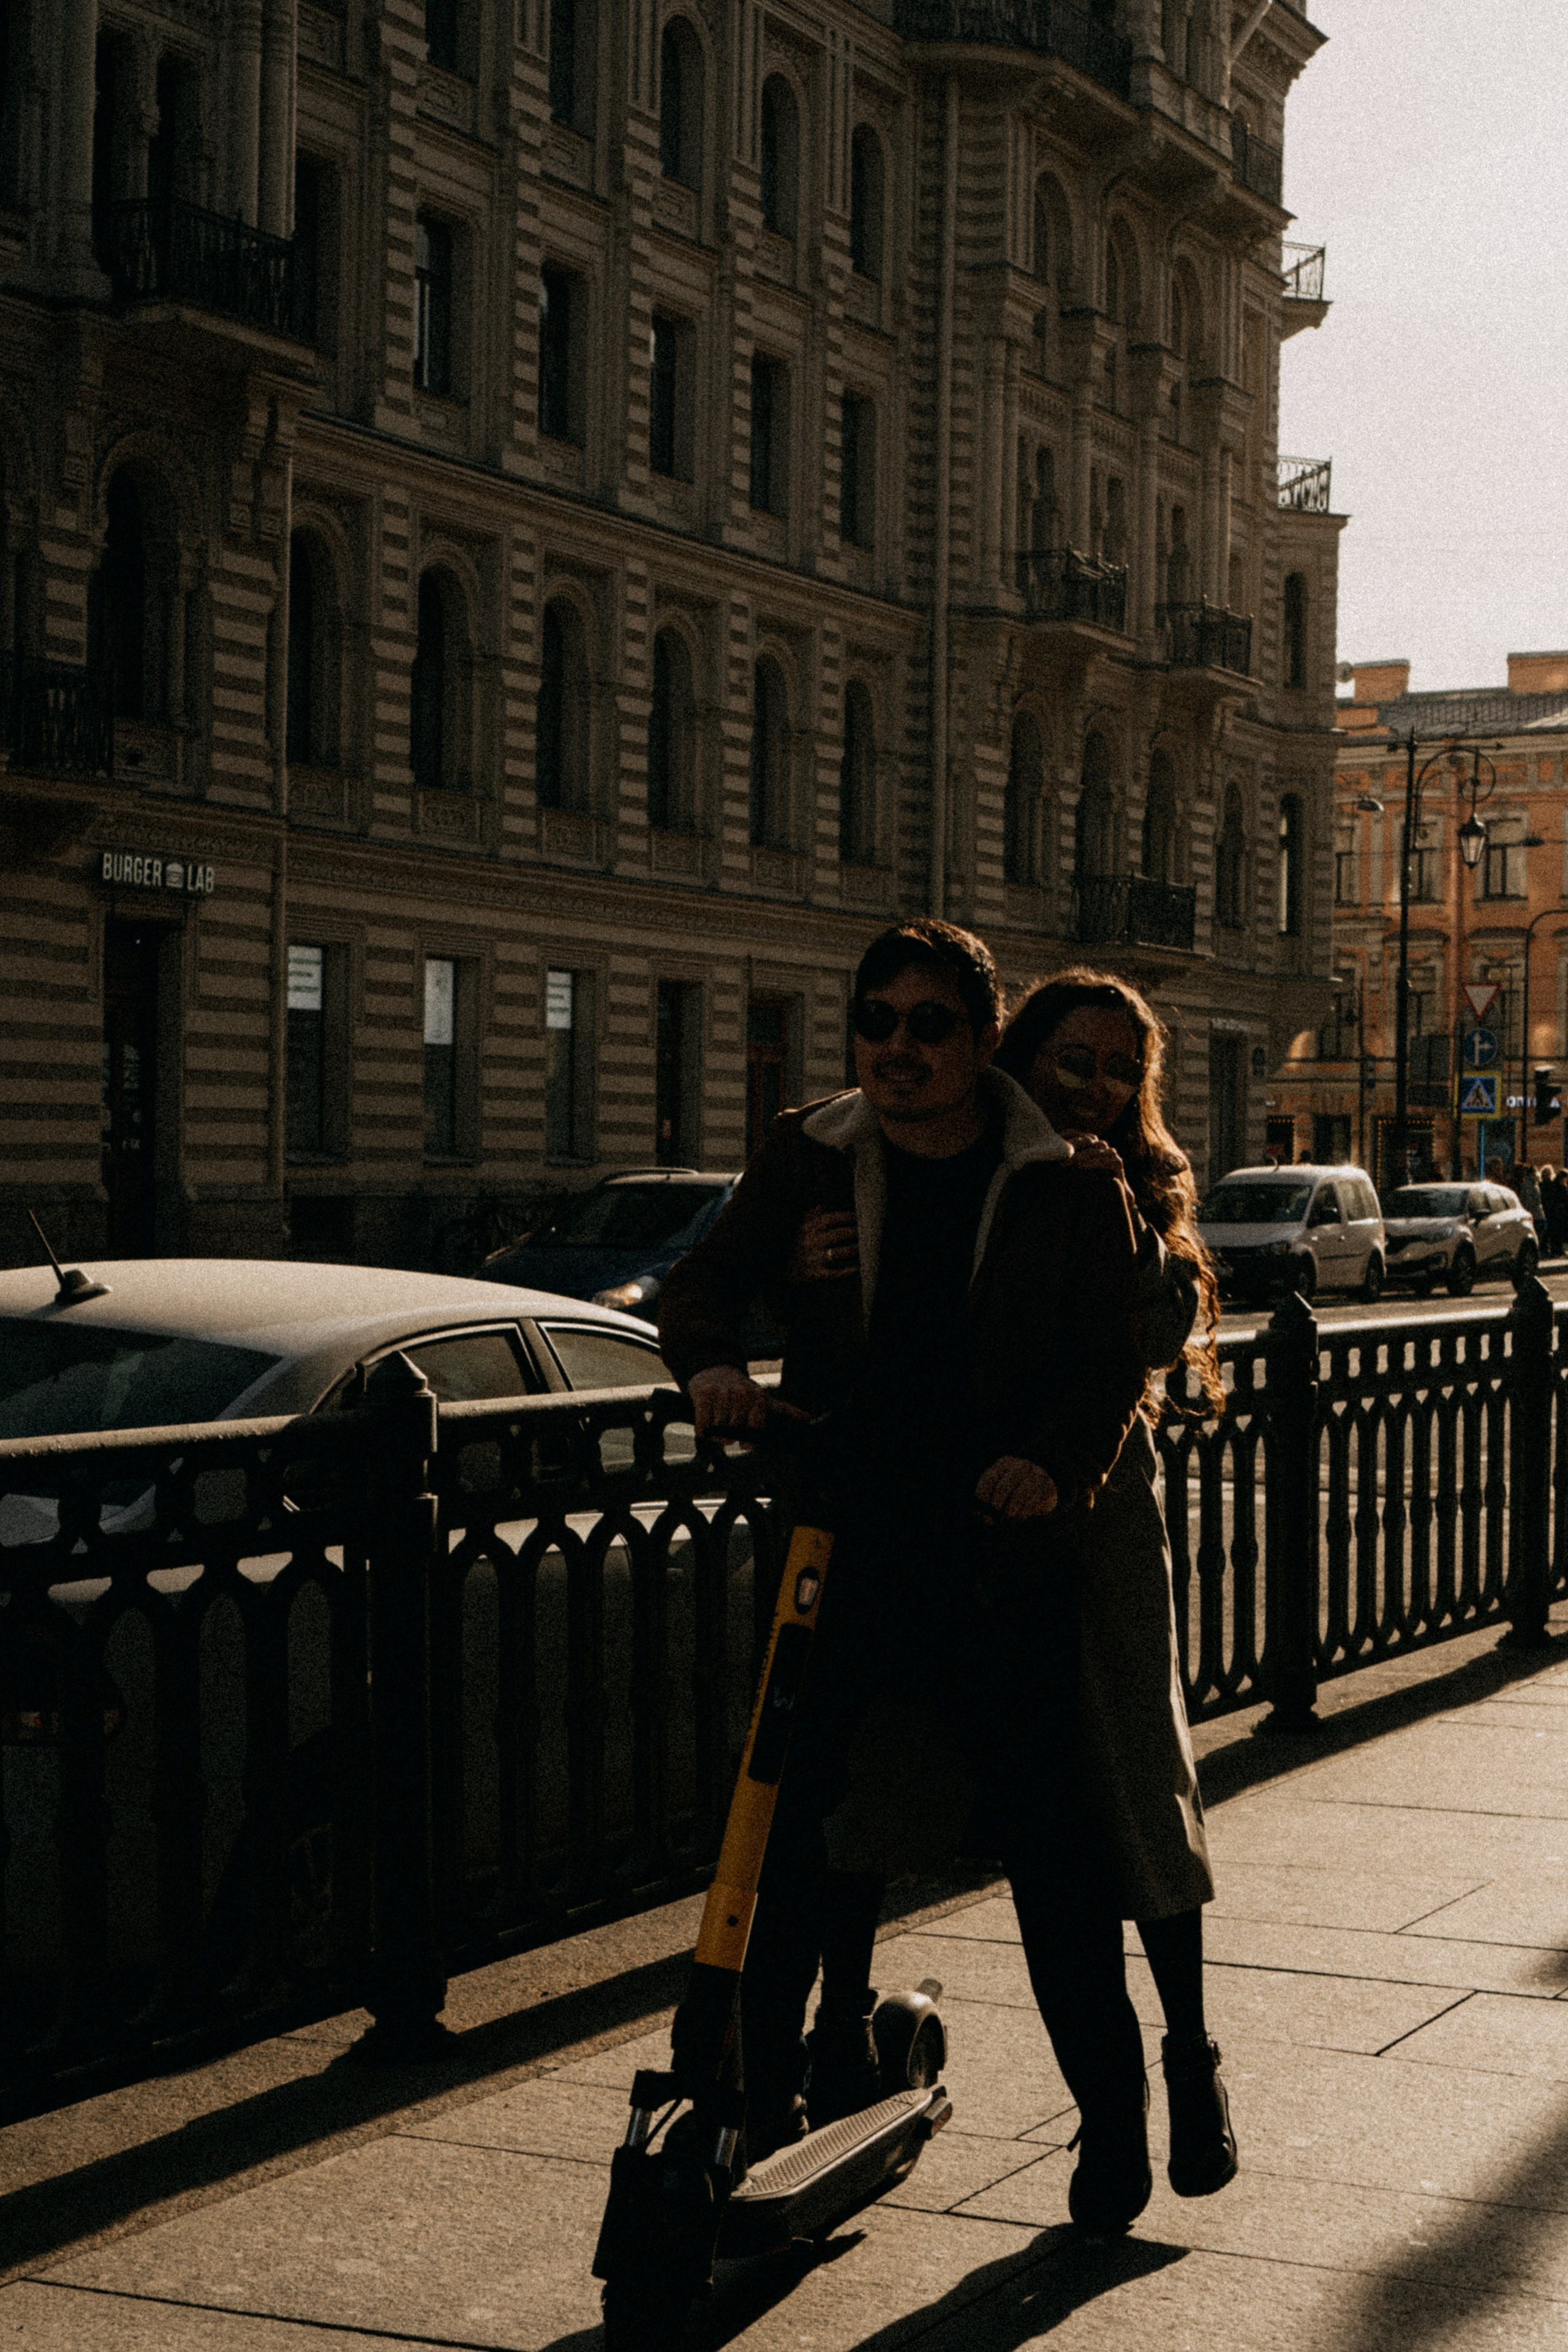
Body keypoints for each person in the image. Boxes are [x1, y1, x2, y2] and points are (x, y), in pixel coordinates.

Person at [658, 918, 1156, 2233]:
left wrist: (1051, 1466)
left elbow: (1112, 1362)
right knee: (788, 1838)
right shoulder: (810, 1151)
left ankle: (1112, 2128)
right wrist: (712, 1359)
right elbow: (697, 1283)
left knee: (1056, 1859)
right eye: (874, 1021)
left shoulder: (1066, 1179)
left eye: (926, 1024)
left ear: (983, 1041)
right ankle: (754, 2111)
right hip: (844, 1539)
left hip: (996, 1556)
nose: (894, 1048)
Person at [993, 970, 1238, 2199]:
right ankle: (1108, 2112)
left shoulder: (1124, 1188)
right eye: (1068, 1058)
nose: (1090, 1087)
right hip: (980, 1531)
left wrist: (1119, 1217)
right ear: (1020, 1054)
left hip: (1100, 1532)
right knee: (1047, 1846)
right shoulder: (967, 1159)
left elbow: (1151, 1333)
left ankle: (1187, 2056)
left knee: (1140, 1796)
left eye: (1115, 1071)